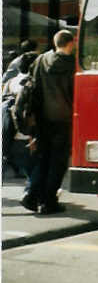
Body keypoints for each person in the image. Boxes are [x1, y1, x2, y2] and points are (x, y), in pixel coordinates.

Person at [23, 29, 75, 215]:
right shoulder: (72, 64)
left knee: (42, 158)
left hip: (42, 118)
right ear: (71, 43)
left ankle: (31, 195)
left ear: (55, 43)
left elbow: (32, 88)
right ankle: (48, 201)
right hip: (64, 119)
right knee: (58, 162)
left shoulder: (41, 60)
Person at [2, 50, 39, 178]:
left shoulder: (10, 82)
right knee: (35, 171)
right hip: (27, 135)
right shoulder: (31, 84)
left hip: (10, 132)